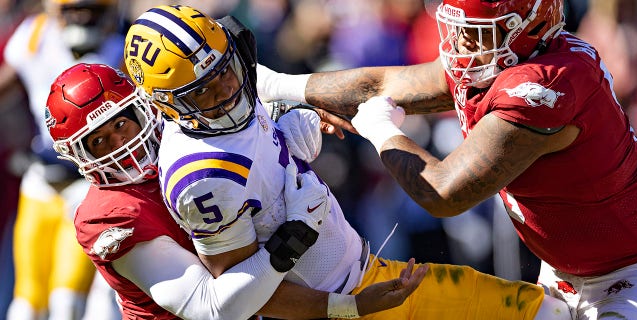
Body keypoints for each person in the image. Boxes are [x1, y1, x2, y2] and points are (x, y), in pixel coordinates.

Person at [123, 4, 571, 320]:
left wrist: (289, 117)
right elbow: (237, 303)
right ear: (165, 104)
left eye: (224, 72)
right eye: (203, 92)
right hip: (340, 304)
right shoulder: (202, 178)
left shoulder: (235, 83)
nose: (226, 92)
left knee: (543, 311)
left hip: (369, 273)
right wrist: (306, 258)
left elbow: (258, 109)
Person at [256, 0, 637, 319]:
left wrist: (382, 130)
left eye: (476, 32)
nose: (461, 42)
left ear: (527, 30)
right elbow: (381, 85)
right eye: (458, 28)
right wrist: (275, 84)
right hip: (572, 268)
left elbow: (443, 192)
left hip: (625, 275)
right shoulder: (512, 59)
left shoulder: (545, 85)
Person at [45, 62, 427, 320]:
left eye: (121, 125)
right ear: (78, 155)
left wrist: (282, 111)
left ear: (143, 108)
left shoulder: (178, 129)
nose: (120, 144)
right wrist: (295, 234)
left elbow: (233, 88)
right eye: (99, 141)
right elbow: (213, 308)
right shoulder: (112, 215)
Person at [1, 0, 126, 318]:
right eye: (74, 10)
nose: (83, 18)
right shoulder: (35, 35)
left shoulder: (124, 46)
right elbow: (10, 79)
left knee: (67, 302)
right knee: (26, 303)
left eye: (92, 11)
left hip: (87, 184)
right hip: (40, 180)